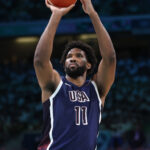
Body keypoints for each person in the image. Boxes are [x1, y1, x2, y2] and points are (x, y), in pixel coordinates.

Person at [34, 0, 116, 149]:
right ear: (64, 64)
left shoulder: (97, 88)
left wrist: (93, 14)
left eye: (79, 56)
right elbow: (40, 60)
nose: (72, 58)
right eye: (69, 56)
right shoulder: (55, 84)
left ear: (89, 64)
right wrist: (56, 15)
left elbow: (110, 59)